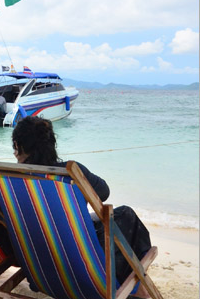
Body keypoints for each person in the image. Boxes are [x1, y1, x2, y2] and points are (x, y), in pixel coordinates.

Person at [11, 117, 152, 284]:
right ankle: (139, 283)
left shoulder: (8, 179)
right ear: (51, 143)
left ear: (19, 146)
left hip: (38, 258)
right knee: (126, 215)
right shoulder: (70, 171)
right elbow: (103, 192)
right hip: (75, 256)